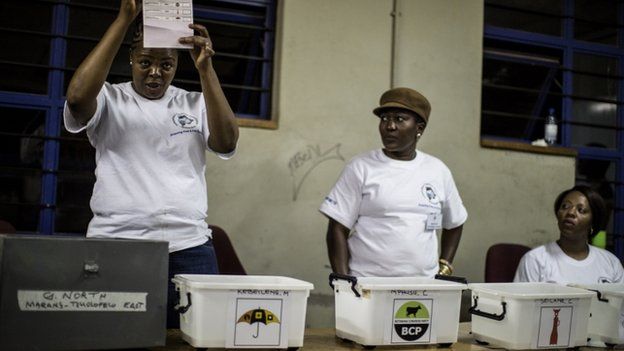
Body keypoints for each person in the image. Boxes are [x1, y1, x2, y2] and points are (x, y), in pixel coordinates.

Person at [63, 0, 239, 328]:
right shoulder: (109, 99)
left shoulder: (194, 102)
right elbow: (75, 99)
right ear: (130, 59)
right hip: (116, 245)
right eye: (145, 62)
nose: (155, 72)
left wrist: (206, 70)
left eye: (166, 64)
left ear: (175, 65)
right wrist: (124, 19)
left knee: (198, 338)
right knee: (110, 338)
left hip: (189, 248)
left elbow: (227, 142)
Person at [320, 87, 468, 278]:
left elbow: (455, 222)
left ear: (419, 128)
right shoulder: (361, 167)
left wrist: (444, 266)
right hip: (367, 286)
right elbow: (337, 227)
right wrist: (344, 282)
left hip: (423, 288)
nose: (389, 126)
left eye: (399, 119)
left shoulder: (437, 170)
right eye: (384, 119)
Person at [514, 185, 623, 284]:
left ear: (593, 222)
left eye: (581, 210)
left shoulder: (611, 264)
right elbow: (520, 305)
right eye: (565, 206)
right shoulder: (535, 260)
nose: (570, 213)